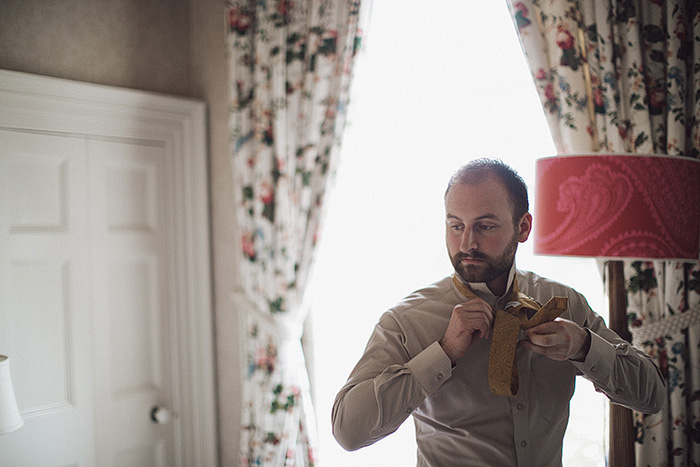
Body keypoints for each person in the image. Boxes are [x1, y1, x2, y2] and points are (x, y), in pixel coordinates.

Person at [331, 158, 665, 466]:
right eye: (456, 226)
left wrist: (584, 346)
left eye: (485, 226)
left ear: (523, 228)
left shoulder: (564, 304)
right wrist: (443, 353)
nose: (466, 245)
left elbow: (652, 396)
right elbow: (348, 431)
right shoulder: (408, 320)